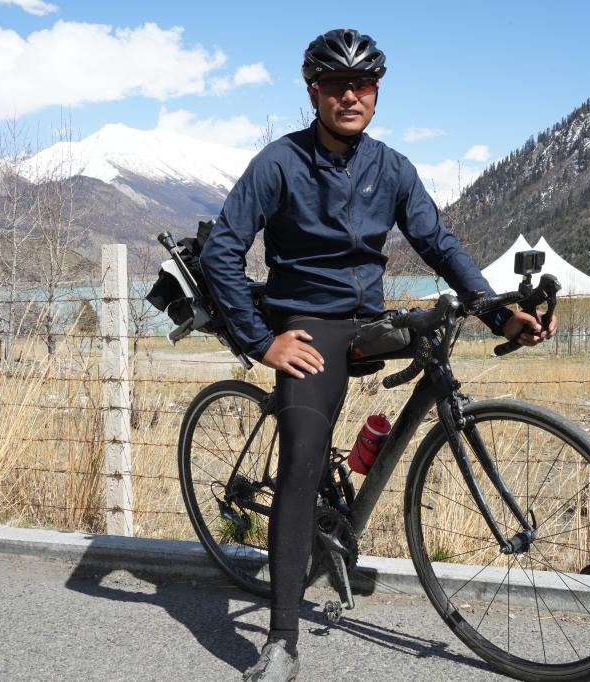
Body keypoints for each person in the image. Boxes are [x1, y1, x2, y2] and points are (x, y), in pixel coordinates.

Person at [199, 28, 556, 682]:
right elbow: (222, 252)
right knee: (302, 458)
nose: (349, 96)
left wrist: (498, 313)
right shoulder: (278, 163)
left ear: (376, 92)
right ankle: (281, 642)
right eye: (335, 85)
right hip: (307, 324)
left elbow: (439, 244)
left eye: (361, 84)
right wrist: (261, 341)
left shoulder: (390, 167)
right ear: (314, 92)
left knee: (434, 351)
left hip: (367, 318)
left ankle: (345, 508)